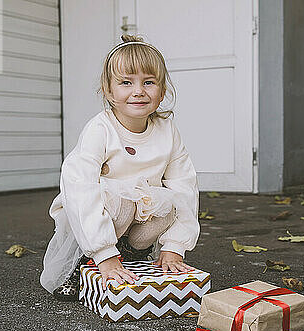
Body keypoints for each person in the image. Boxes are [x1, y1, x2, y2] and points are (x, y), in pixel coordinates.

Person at [41, 35, 200, 301]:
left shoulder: (167, 131)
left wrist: (175, 246)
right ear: (108, 90)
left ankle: (130, 253)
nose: (138, 91)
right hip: (94, 215)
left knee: (167, 206)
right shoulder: (100, 129)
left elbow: (184, 185)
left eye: (148, 82)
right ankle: (86, 264)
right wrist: (103, 252)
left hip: (137, 212)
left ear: (162, 91)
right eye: (126, 82)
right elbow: (80, 187)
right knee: (124, 201)